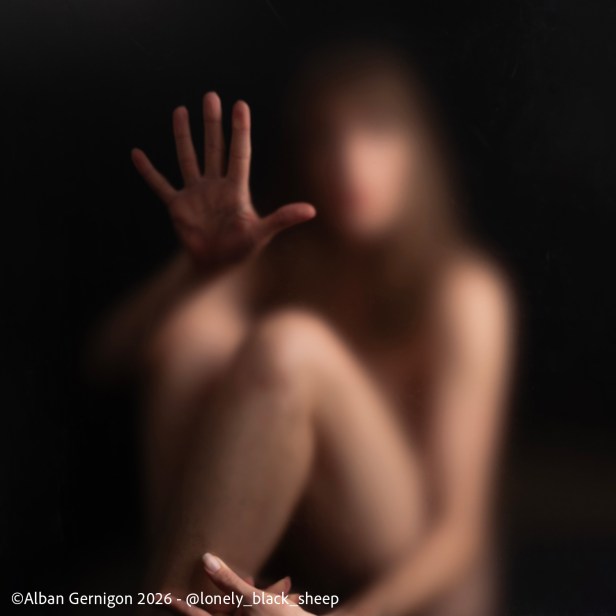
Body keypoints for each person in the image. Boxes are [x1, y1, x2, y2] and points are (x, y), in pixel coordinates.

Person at [92, 41, 513, 616]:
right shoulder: (289, 258)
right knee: (194, 343)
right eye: (325, 138)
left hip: (419, 585)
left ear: (419, 151)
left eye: (377, 129)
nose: (349, 161)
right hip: (311, 561)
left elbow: (459, 537)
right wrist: (197, 274)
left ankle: (167, 605)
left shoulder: (464, 291)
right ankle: (174, 600)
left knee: (293, 344)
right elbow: (110, 358)